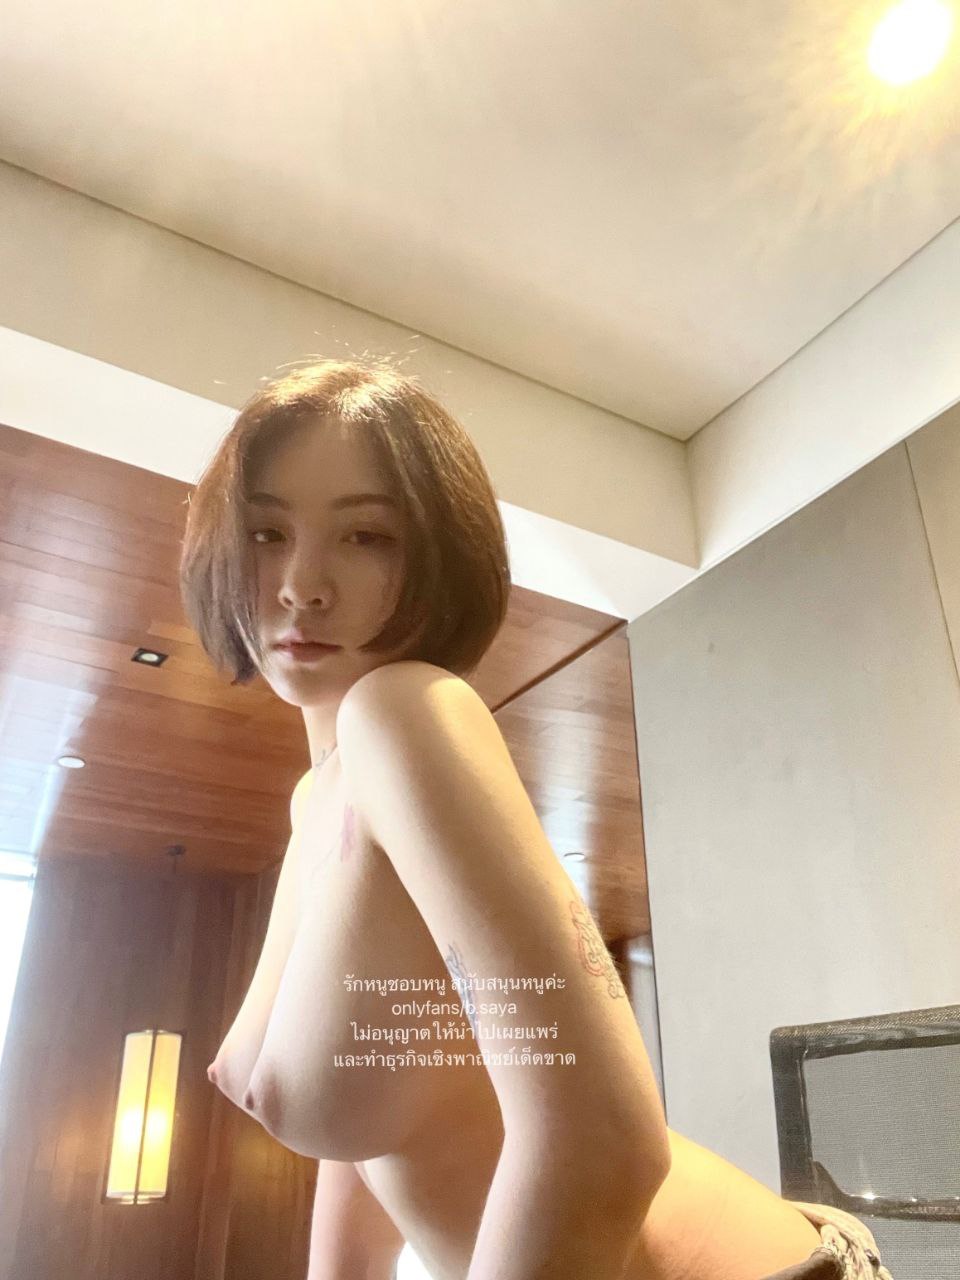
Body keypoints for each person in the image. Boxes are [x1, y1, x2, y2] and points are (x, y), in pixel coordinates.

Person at [179, 360, 892, 1280]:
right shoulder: (320, 796)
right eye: (266, 532)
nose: (302, 584)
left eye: (364, 536)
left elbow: (602, 1142)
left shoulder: (402, 715)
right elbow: (375, 1119)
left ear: (437, 556)